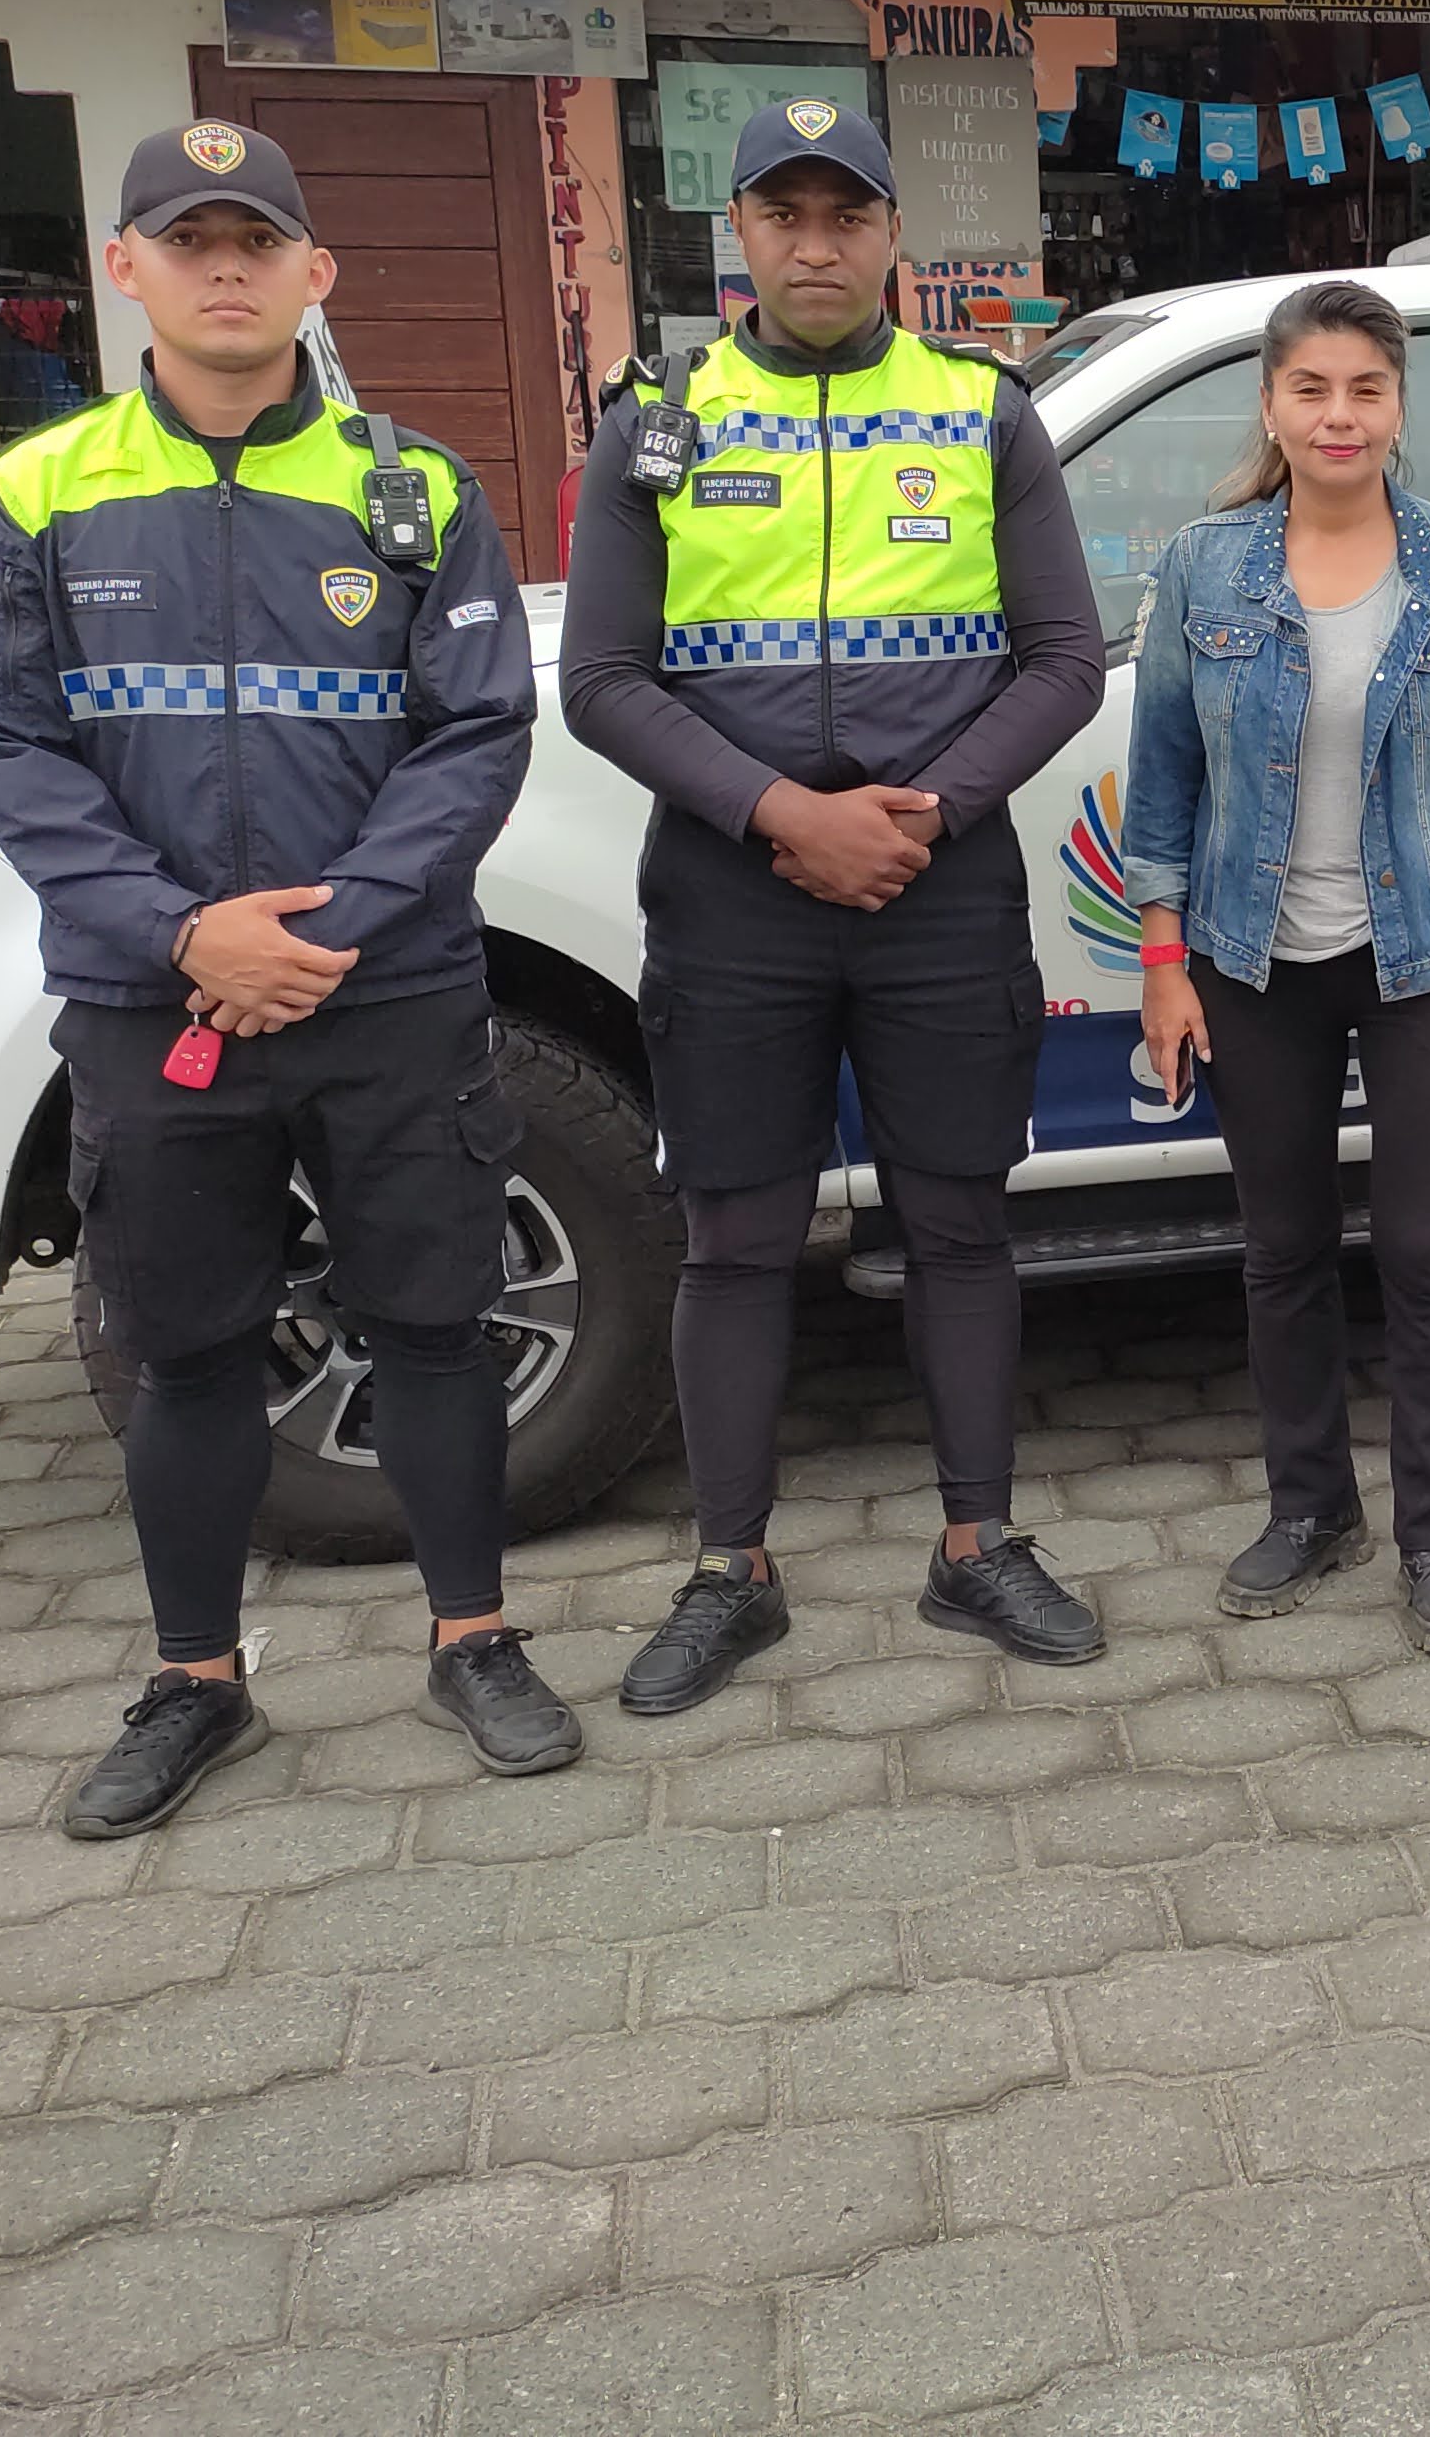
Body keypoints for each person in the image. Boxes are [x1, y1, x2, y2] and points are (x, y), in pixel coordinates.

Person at [0, 120, 563, 1836]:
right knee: (190, 1352)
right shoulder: (40, 493)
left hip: (390, 995)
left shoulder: (413, 489)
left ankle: (476, 1640)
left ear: (314, 273)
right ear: (126, 267)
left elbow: (477, 735)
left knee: (434, 1328)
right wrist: (179, 932)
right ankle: (195, 1681)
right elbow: (4, 740)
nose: (227, 268)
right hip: (155, 1008)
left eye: (258, 240)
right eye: (189, 239)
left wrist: (328, 925)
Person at [561, 98, 1107, 1707]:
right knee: (737, 1235)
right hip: (735, 892)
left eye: (846, 215)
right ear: (738, 230)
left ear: (890, 235)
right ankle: (729, 1571)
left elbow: (1064, 661)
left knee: (957, 1223)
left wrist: (921, 815)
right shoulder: (659, 418)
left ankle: (978, 1547)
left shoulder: (982, 411)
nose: (817, 245)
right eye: (784, 215)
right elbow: (601, 678)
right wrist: (784, 814)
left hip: (938, 884)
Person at [1123, 282, 1430, 1652]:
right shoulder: (1202, 568)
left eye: (1365, 389)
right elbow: (1162, 783)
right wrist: (1163, 959)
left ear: (1397, 406)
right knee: (1282, 1250)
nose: (1339, 416)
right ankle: (1312, 1509)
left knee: (1428, 1253)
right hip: (1249, 961)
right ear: (1269, 404)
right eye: (1311, 389)